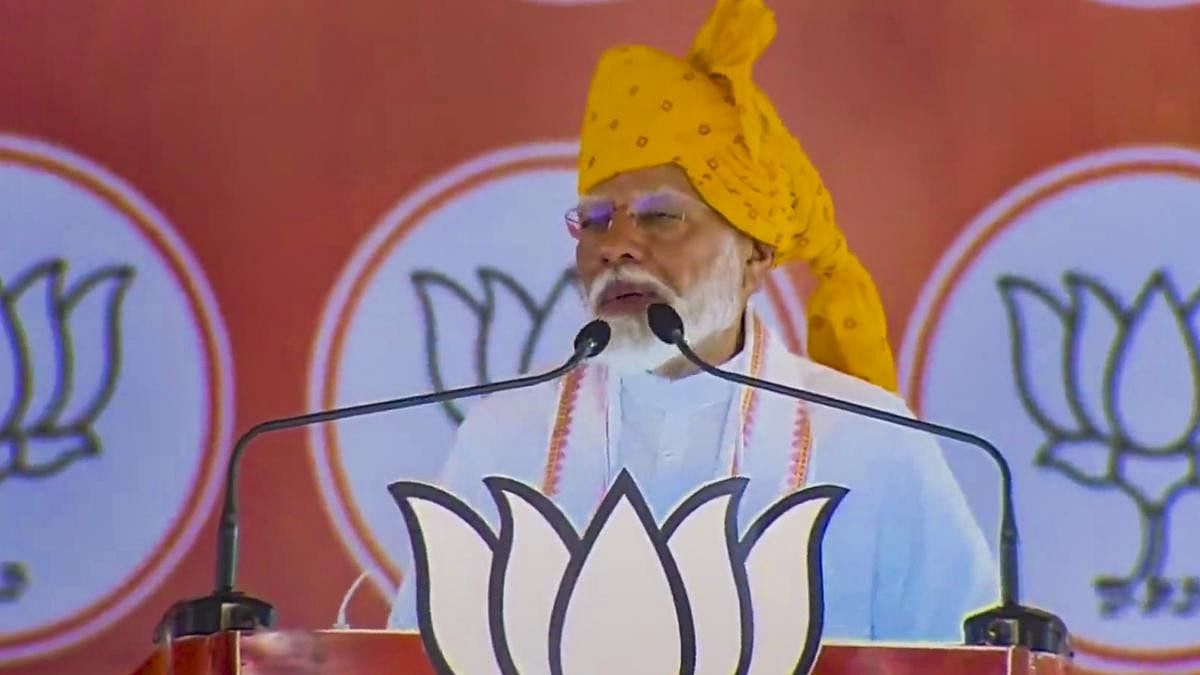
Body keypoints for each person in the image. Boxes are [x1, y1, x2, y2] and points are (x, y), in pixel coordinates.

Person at [387, 0, 995, 642]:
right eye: (594, 219)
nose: (614, 245)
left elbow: (965, 654)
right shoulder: (508, 435)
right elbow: (421, 648)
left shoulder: (870, 441)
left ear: (754, 256)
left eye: (659, 216)